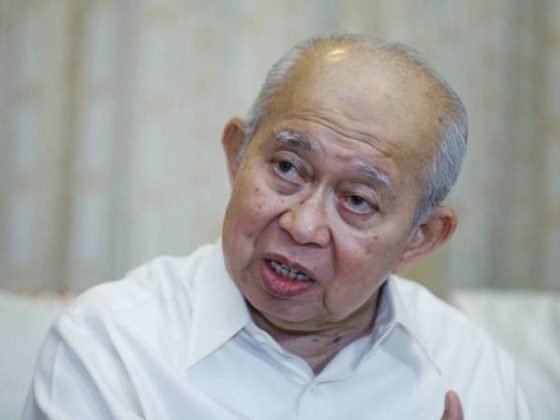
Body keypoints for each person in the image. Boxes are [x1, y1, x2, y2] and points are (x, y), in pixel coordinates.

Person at [23, 34, 530, 420]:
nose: (303, 226)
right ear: (237, 155)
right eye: (287, 168)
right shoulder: (109, 345)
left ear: (420, 237)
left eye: (357, 200)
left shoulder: (471, 369)